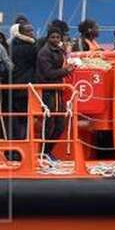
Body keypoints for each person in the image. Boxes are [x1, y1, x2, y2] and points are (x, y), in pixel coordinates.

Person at [35, 25, 76, 161]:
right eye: (53, 37)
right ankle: (43, 152)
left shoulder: (58, 50)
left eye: (57, 37)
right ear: (48, 37)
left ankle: (47, 151)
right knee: (50, 123)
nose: (55, 39)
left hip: (57, 90)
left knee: (59, 124)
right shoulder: (44, 53)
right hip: (49, 90)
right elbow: (48, 73)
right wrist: (66, 70)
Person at [9, 23, 38, 140]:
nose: (32, 33)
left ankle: (17, 142)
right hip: (26, 87)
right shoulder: (31, 47)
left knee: (16, 118)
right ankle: (23, 142)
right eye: (29, 31)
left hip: (14, 86)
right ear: (22, 33)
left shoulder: (11, 46)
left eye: (32, 31)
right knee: (25, 118)